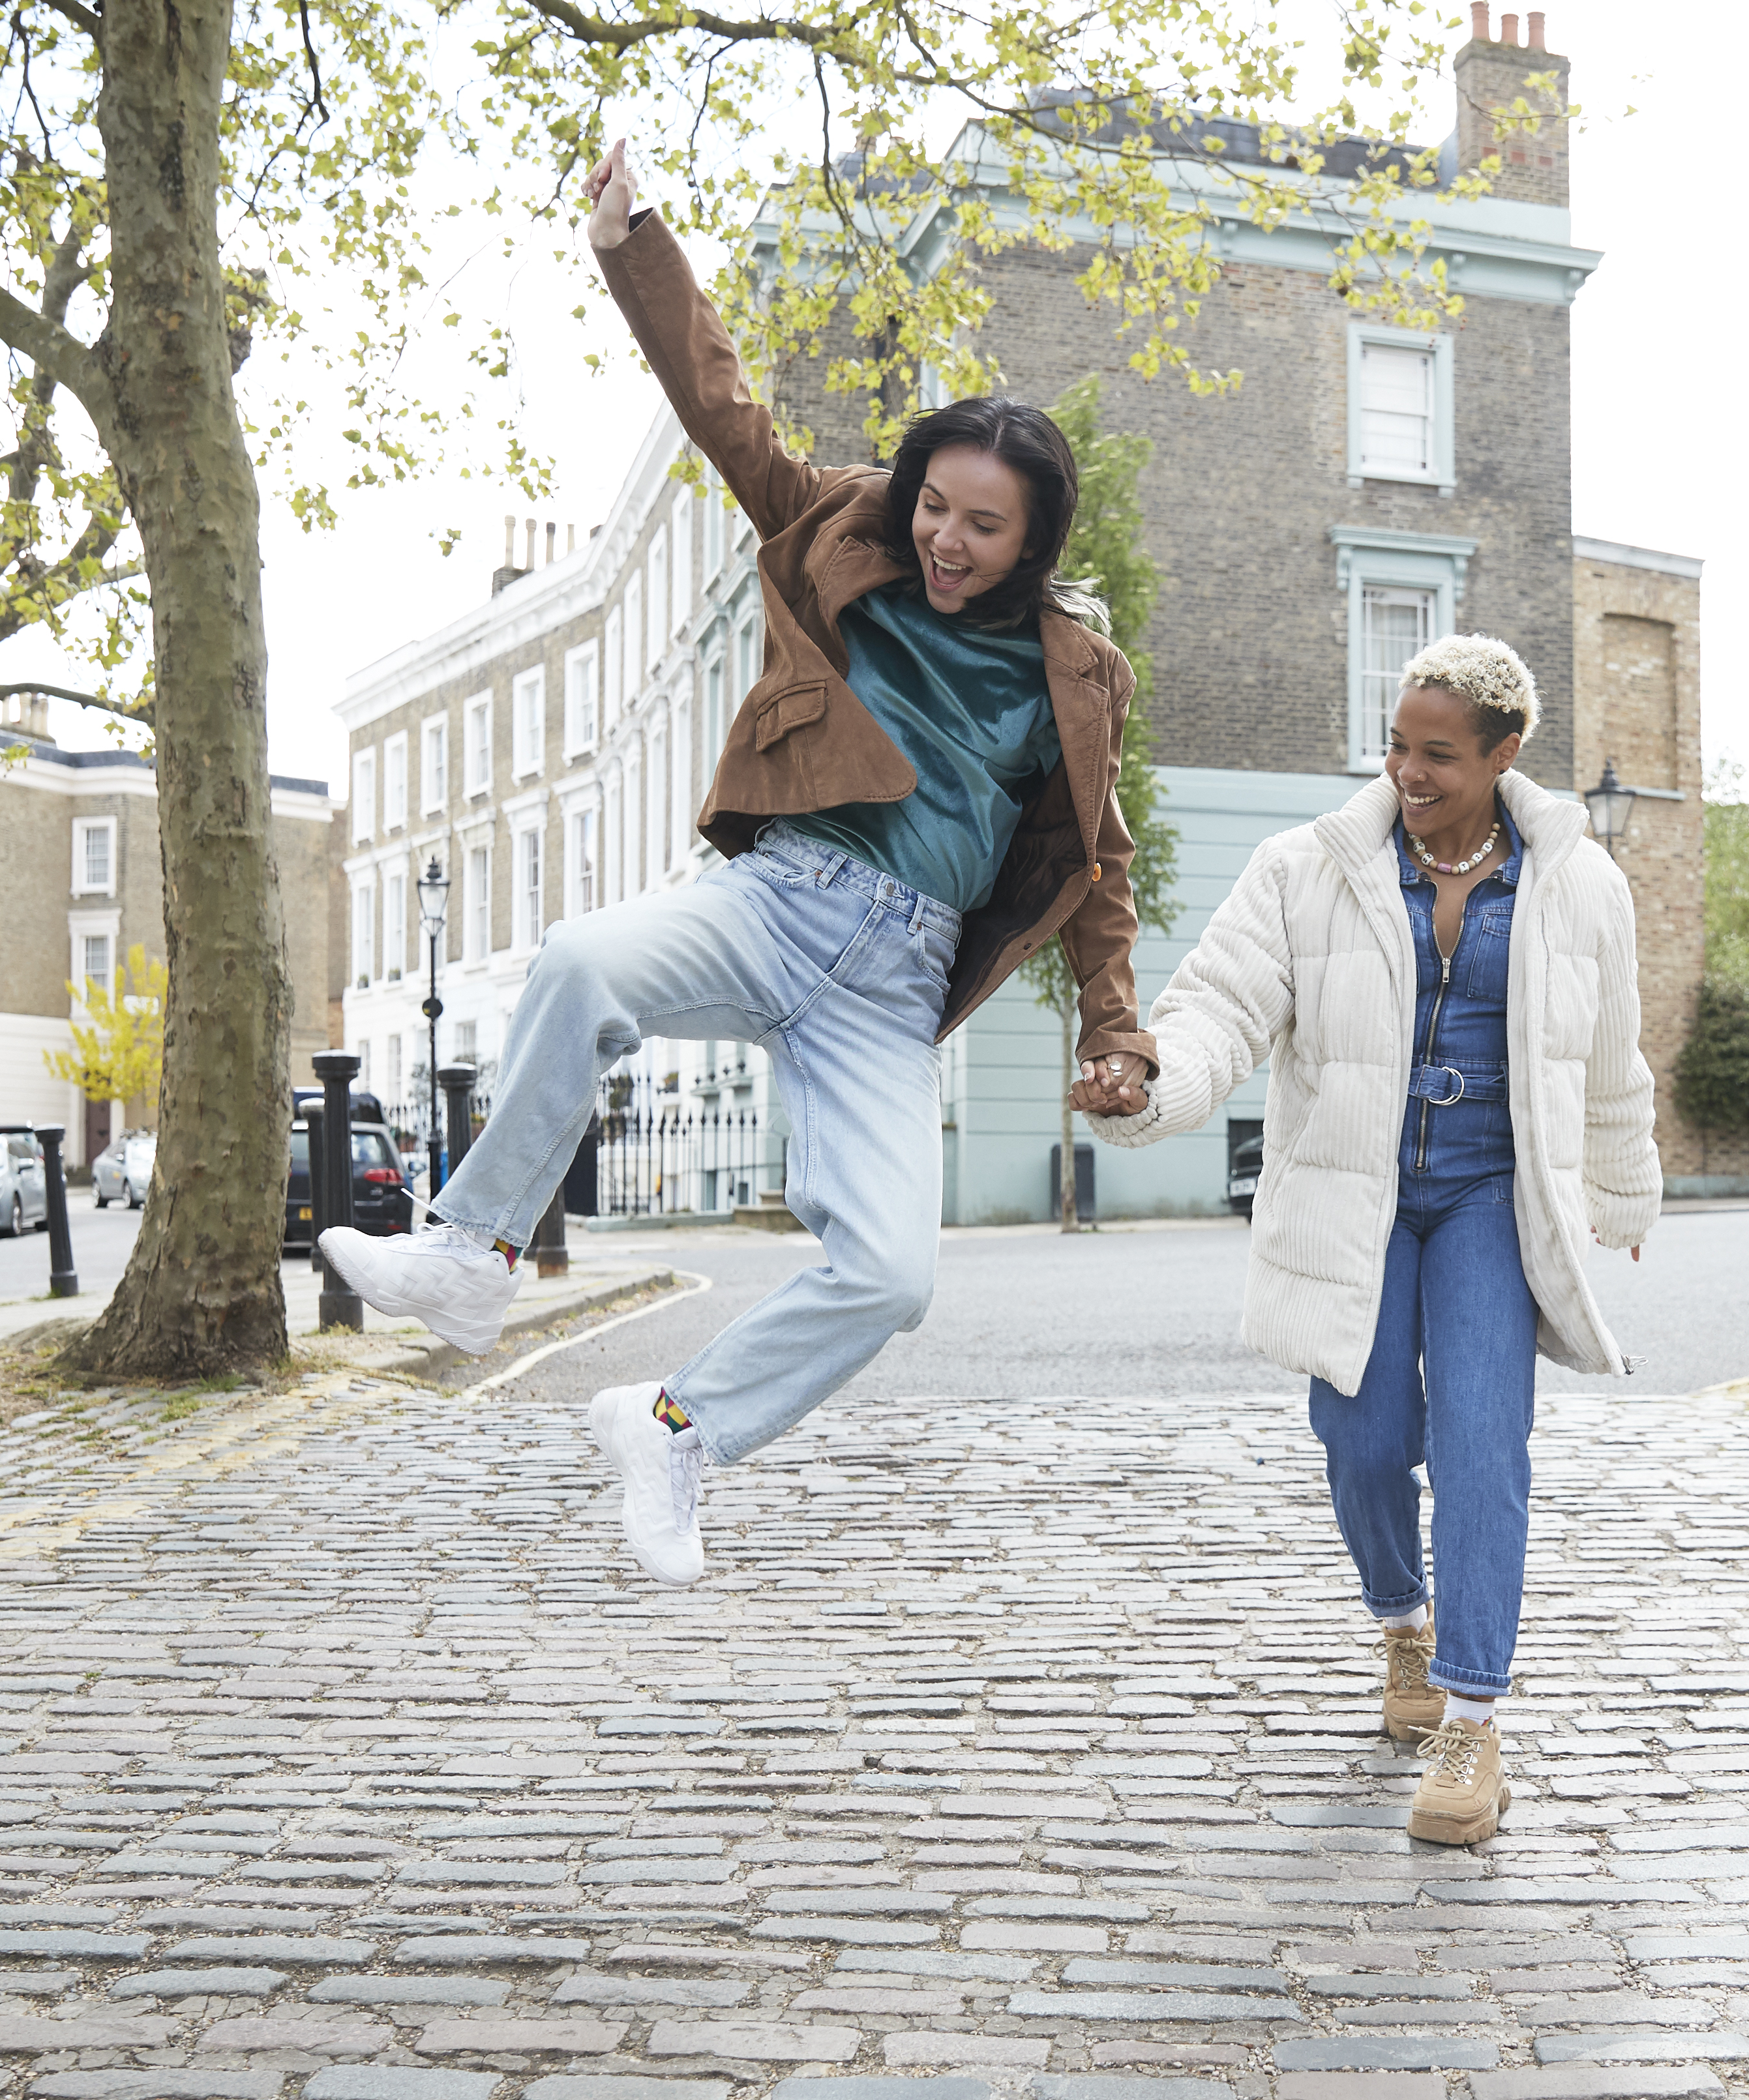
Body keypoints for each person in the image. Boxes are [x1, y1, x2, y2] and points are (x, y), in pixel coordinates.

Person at [323, 142, 1157, 1585]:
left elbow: (1100, 867)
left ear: (1032, 543)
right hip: (779, 902)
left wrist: (1116, 1028)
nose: (945, 540)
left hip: (891, 986)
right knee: (583, 961)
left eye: (982, 525)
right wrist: (635, 243)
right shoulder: (835, 524)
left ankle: (677, 1432)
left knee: (892, 1275)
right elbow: (722, 405)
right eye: (936, 506)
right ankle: (472, 1260)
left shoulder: (1077, 672)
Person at [1088, 636, 1658, 1844]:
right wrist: (1150, 1086)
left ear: (1505, 757)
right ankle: (1401, 1619)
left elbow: (1611, 1058)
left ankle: (1472, 1719)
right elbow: (1220, 1011)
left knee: (1482, 1445)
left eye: (1438, 754)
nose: (1408, 770)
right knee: (1361, 1436)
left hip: (1491, 1199)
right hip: (1355, 1187)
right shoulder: (1308, 870)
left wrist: (1622, 1195)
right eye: (1398, 745)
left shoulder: (1580, 884)